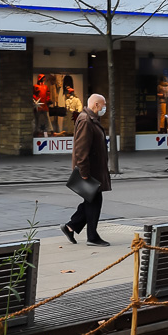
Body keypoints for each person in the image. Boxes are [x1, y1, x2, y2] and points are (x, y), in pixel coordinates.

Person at [60, 93, 111, 246]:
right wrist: (83, 172)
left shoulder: (91, 119)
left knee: (91, 200)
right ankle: (92, 237)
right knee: (94, 202)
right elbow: (81, 149)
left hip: (94, 169)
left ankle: (71, 227)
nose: (105, 107)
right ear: (96, 105)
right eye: (104, 104)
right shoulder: (86, 121)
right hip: (90, 171)